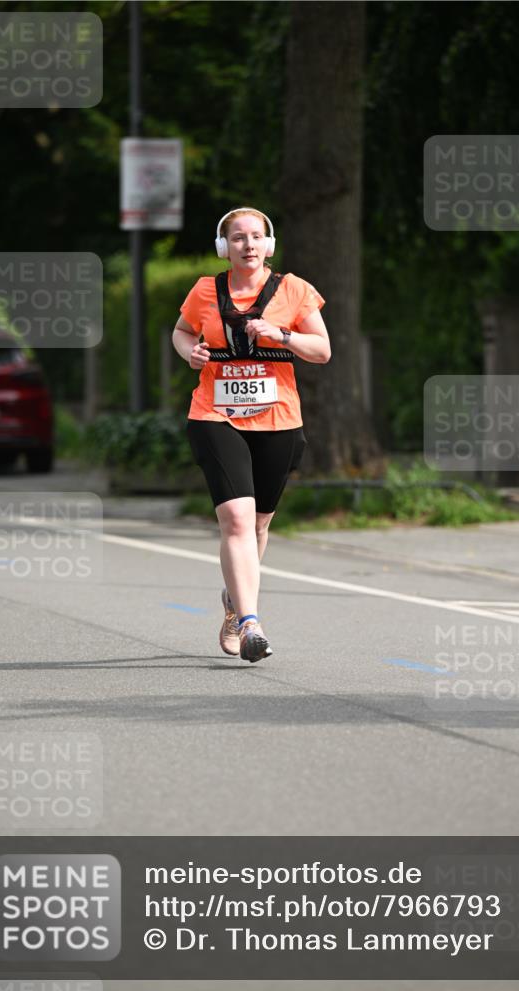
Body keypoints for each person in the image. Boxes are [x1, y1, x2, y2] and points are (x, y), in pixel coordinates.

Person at [171, 207, 331, 663]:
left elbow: (322, 351)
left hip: (279, 419)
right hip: (215, 414)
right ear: (225, 247)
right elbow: (181, 332)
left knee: (260, 523)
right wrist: (191, 353)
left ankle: (232, 601)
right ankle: (249, 624)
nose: (248, 245)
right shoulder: (205, 291)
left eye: (256, 236)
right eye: (238, 237)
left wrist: (281, 334)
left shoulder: (295, 290)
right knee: (237, 521)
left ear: (269, 243)